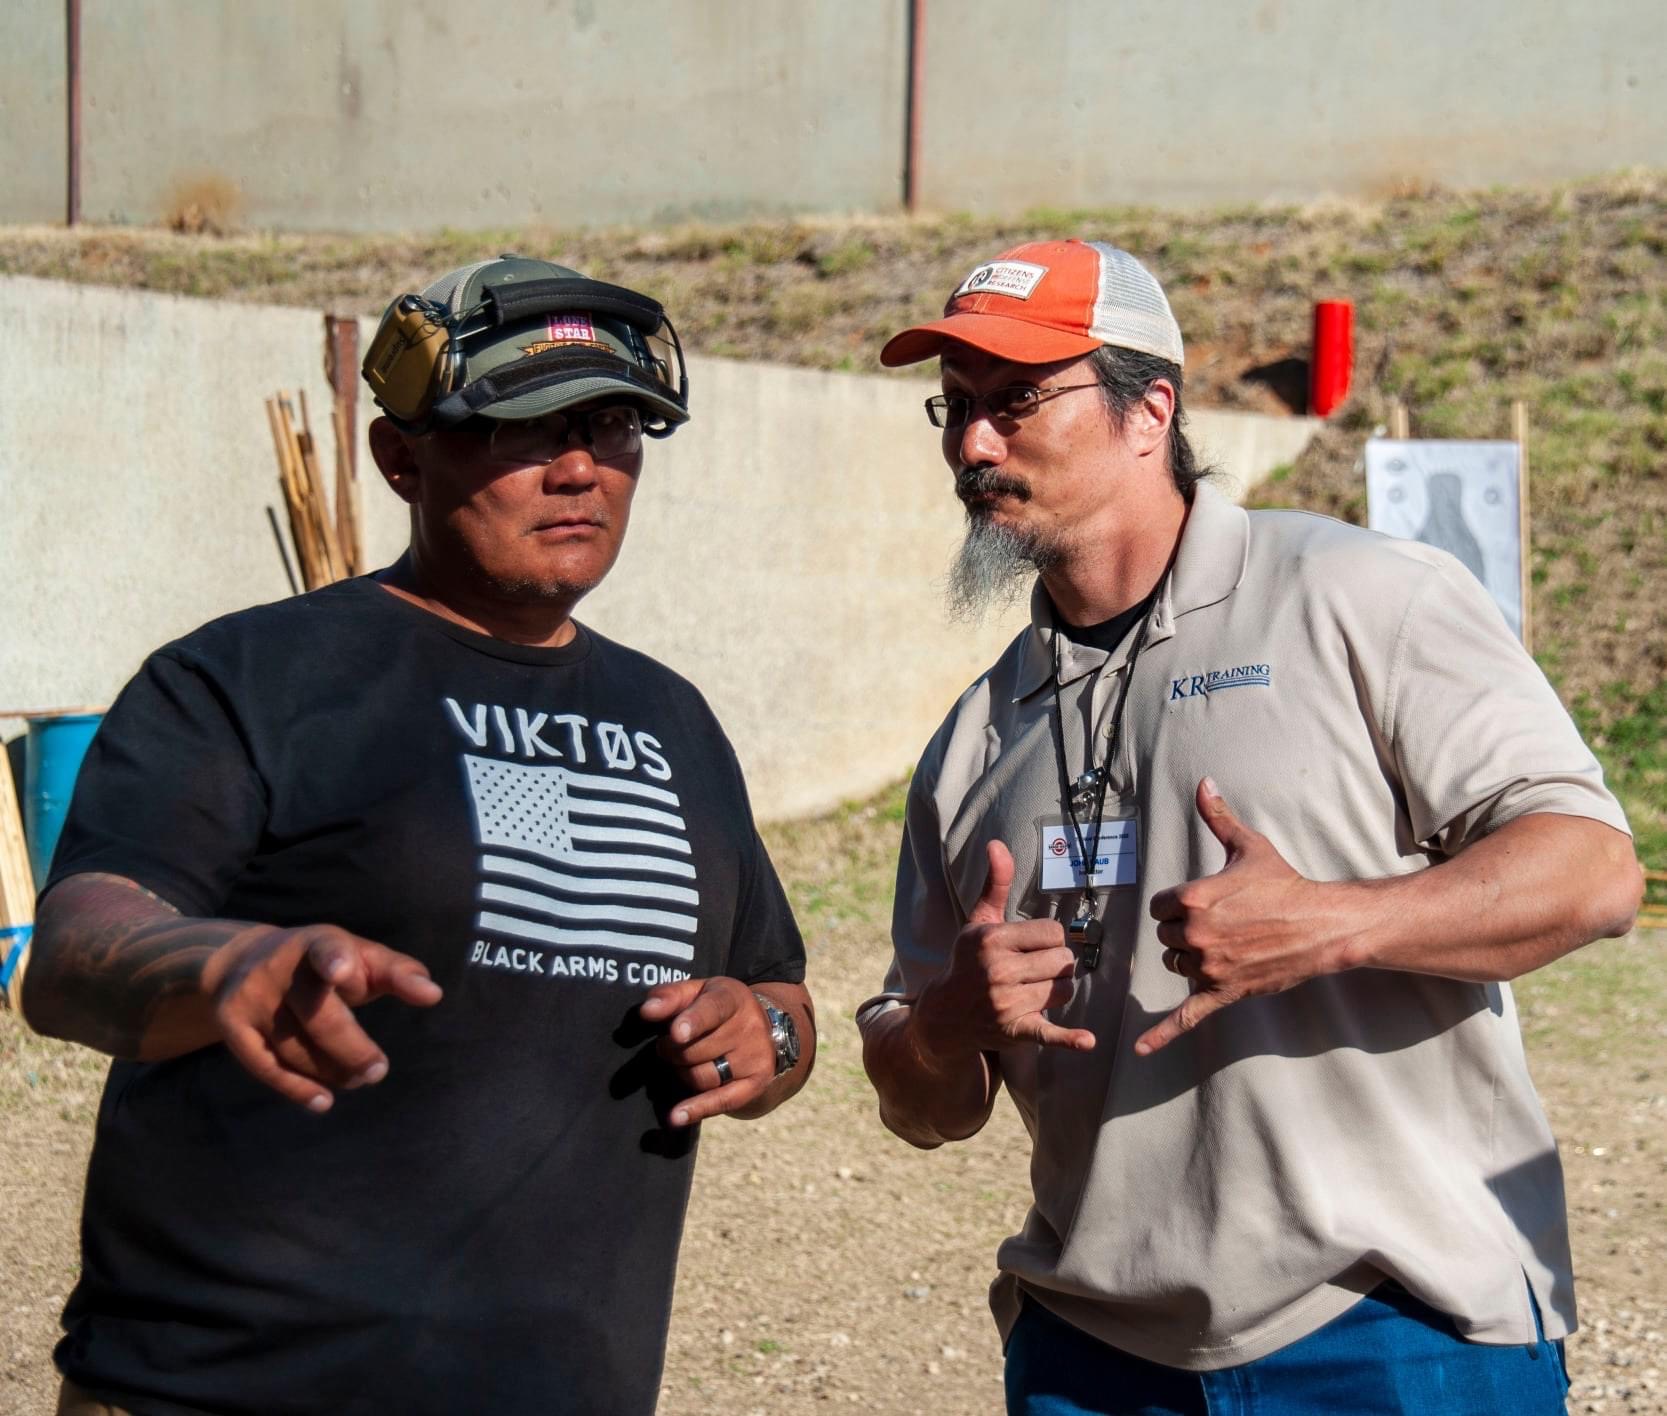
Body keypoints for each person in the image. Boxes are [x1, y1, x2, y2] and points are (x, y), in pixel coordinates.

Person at [856, 238, 1642, 1415]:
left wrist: (1332, 924)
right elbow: (921, 1104)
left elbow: (1591, 869)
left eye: (1015, 400)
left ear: (1148, 411)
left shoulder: (1360, 596)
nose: (973, 445)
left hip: (1392, 1330)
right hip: (1092, 1355)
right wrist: (941, 1029)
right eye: (955, 406)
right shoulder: (971, 741)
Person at [23, 255, 815, 1416]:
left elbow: (777, 991)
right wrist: (226, 965)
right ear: (401, 459)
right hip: (222, 1387)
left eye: (611, 426)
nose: (580, 467)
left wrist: (768, 1039)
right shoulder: (249, 678)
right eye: (524, 428)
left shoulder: (674, 720)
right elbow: (75, 952)